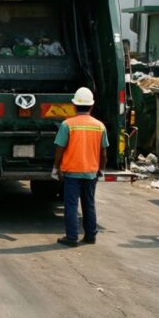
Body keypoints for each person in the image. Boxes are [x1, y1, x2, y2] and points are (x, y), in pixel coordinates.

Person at [53, 87, 109, 247]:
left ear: (74, 105)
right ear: (92, 106)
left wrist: (56, 168)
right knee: (89, 204)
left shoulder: (67, 125)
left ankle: (72, 237)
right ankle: (90, 236)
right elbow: (103, 153)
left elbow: (60, 149)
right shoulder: (99, 126)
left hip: (72, 172)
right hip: (91, 172)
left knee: (71, 205)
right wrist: (101, 169)